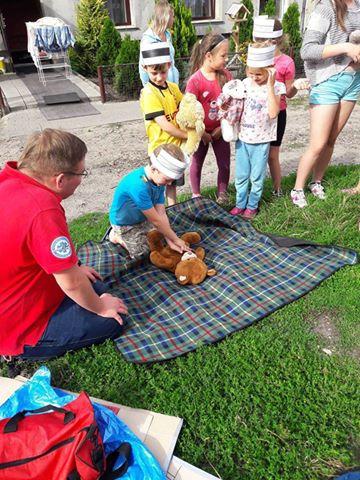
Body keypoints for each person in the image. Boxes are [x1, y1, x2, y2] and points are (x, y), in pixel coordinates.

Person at [0, 129, 128, 362]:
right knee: (113, 319)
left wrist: (77, 268)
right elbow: (70, 282)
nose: (81, 178)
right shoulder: (43, 210)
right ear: (60, 179)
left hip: (17, 292)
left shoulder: (9, 179)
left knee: (95, 285)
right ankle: (19, 352)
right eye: (82, 173)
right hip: (20, 326)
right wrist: (100, 307)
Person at [290, 0, 360, 208]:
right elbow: (307, 50)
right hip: (327, 81)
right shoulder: (325, 8)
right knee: (318, 143)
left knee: (331, 139)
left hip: (353, 82)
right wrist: (346, 47)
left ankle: (316, 182)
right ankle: (297, 189)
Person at [253, 15, 310, 196]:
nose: (260, 44)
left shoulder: (287, 62)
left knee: (272, 155)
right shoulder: (256, 56)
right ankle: (255, 190)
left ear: (274, 40)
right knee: (257, 155)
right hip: (255, 112)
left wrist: (295, 87)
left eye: (262, 40)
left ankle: (277, 190)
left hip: (278, 113)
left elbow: (289, 93)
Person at [229, 42, 285, 220]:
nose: (254, 77)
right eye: (251, 73)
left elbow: (273, 112)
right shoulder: (245, 83)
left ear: (270, 70)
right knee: (241, 175)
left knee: (256, 176)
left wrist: (269, 85)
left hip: (261, 140)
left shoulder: (276, 87)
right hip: (243, 139)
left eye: (259, 74)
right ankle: (240, 204)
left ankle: (252, 206)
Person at [109, 143, 191, 258]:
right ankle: (116, 237)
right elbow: (157, 221)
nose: (169, 184)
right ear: (154, 169)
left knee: (159, 240)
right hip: (125, 224)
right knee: (144, 253)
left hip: (144, 217)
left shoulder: (158, 181)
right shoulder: (138, 186)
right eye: (168, 179)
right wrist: (176, 239)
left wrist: (170, 240)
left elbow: (161, 213)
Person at [185, 32, 233, 205]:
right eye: (223, 55)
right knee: (196, 163)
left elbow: (232, 103)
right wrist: (202, 132)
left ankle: (222, 193)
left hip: (221, 130)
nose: (227, 59)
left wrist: (223, 126)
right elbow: (189, 110)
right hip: (201, 133)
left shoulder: (226, 77)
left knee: (224, 163)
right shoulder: (195, 81)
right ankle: (196, 195)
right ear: (208, 56)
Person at [139, 41, 187, 206]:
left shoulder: (173, 88)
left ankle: (172, 211)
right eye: (154, 73)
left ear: (169, 65)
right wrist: (188, 135)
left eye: (163, 72)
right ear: (145, 68)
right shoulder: (149, 93)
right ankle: (155, 213)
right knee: (157, 184)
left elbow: (185, 108)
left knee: (171, 183)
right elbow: (164, 125)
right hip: (160, 150)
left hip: (176, 148)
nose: (159, 77)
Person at [139, 0, 179, 87]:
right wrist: (148, 88)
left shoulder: (167, 35)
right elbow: (143, 68)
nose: (174, 19)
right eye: (173, 16)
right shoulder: (148, 39)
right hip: (158, 87)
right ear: (166, 17)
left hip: (172, 85)